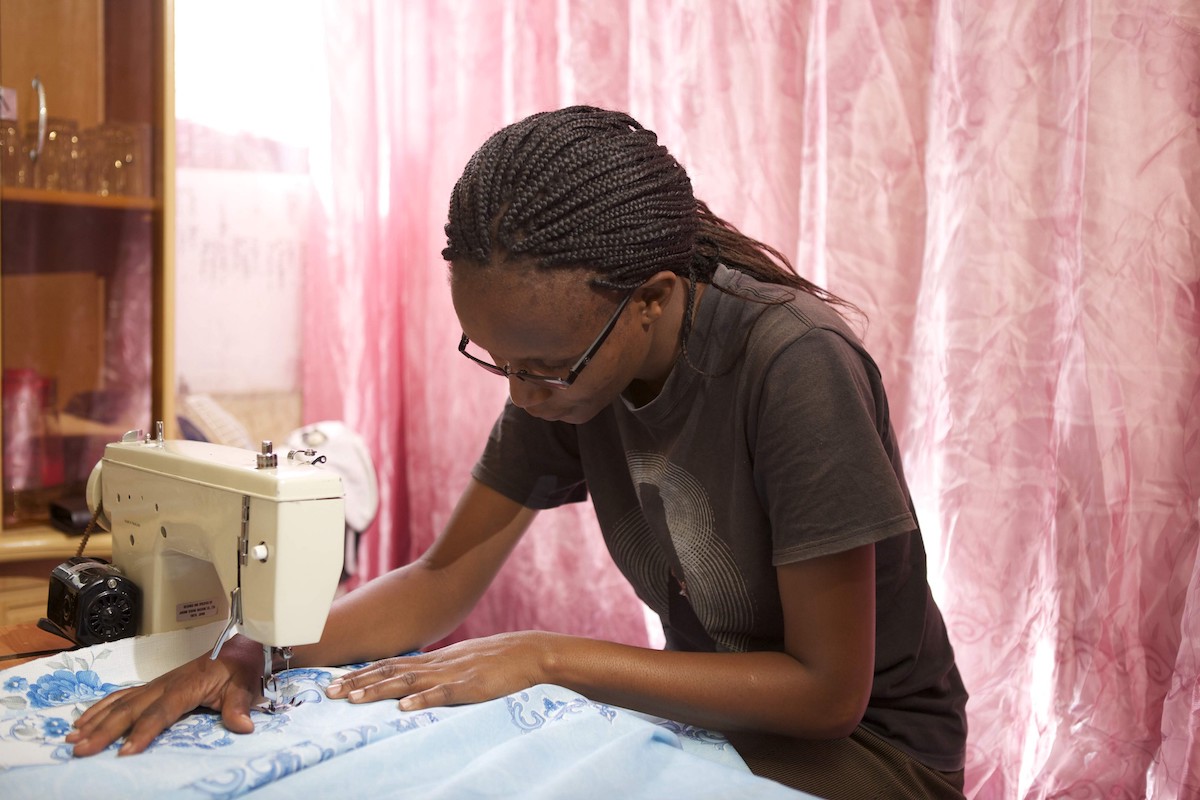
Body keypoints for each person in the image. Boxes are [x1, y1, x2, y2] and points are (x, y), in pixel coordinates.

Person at [67, 106, 968, 799]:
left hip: (870, 757)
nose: (522, 395)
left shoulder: (793, 365)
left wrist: (546, 654)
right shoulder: (571, 368)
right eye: (497, 362)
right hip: (715, 726)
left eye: (541, 368)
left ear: (651, 298)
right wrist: (252, 651)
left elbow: (826, 694)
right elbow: (439, 580)